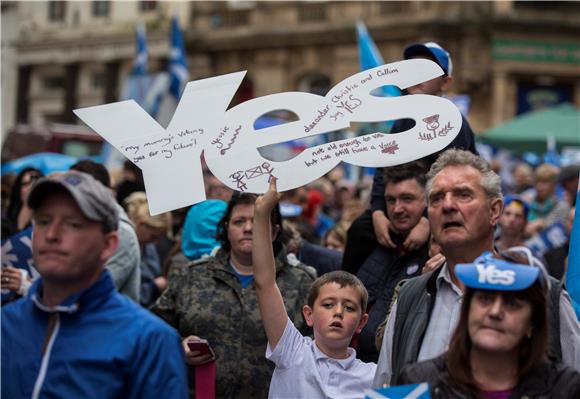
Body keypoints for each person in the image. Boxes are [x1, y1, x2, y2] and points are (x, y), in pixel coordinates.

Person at [373, 149, 580, 387]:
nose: (448, 205)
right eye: (437, 198)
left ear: (494, 211)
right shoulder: (409, 298)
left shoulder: (544, 295)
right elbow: (385, 385)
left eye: (463, 195)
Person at [1, 171, 187, 398]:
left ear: (109, 245)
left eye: (73, 224)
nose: (51, 234)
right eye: (43, 221)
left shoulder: (149, 341)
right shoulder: (6, 323)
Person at [151, 191, 315, 398]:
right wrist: (178, 344)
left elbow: (318, 345)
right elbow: (154, 326)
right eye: (239, 221)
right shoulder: (193, 275)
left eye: (256, 221)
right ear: (226, 228)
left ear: (273, 232)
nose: (247, 229)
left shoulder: (302, 281)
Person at [342, 41, 478, 275]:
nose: (416, 76)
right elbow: (384, 168)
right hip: (399, 209)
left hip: (438, 213)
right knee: (359, 231)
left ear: (446, 82)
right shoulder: (402, 121)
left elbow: (456, 181)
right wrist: (376, 212)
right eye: (411, 69)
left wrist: (427, 221)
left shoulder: (453, 122)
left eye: (426, 70)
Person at [253, 178, 376, 398]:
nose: (338, 312)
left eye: (349, 308)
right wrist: (262, 215)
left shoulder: (374, 377)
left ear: (361, 322)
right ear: (308, 315)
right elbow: (265, 282)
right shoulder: (292, 352)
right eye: (328, 304)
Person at [399, 252, 580, 398]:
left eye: (512, 304)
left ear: (532, 323)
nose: (495, 312)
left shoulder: (566, 389)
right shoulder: (417, 383)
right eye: (485, 299)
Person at [356, 161, 430, 362]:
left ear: (427, 201)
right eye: (390, 200)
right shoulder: (368, 240)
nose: (397, 209)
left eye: (407, 198)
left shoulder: (436, 255)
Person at [70, 159, 141, 302]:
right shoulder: (79, 223)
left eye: (73, 184)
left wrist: (29, 287)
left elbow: (94, 292)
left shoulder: (121, 232)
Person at [124, 192, 172, 308]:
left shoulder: (148, 246)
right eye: (153, 236)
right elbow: (124, 294)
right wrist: (153, 287)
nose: (156, 242)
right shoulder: (124, 248)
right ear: (141, 226)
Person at [525, 163, 570, 237]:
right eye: (537, 182)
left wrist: (542, 224)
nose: (539, 186)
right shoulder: (527, 202)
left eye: (544, 182)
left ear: (554, 185)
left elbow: (559, 233)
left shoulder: (562, 206)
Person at [2, 167, 43, 239]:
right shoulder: (5, 219)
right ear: (18, 189)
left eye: (35, 182)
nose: (30, 187)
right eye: (26, 183)